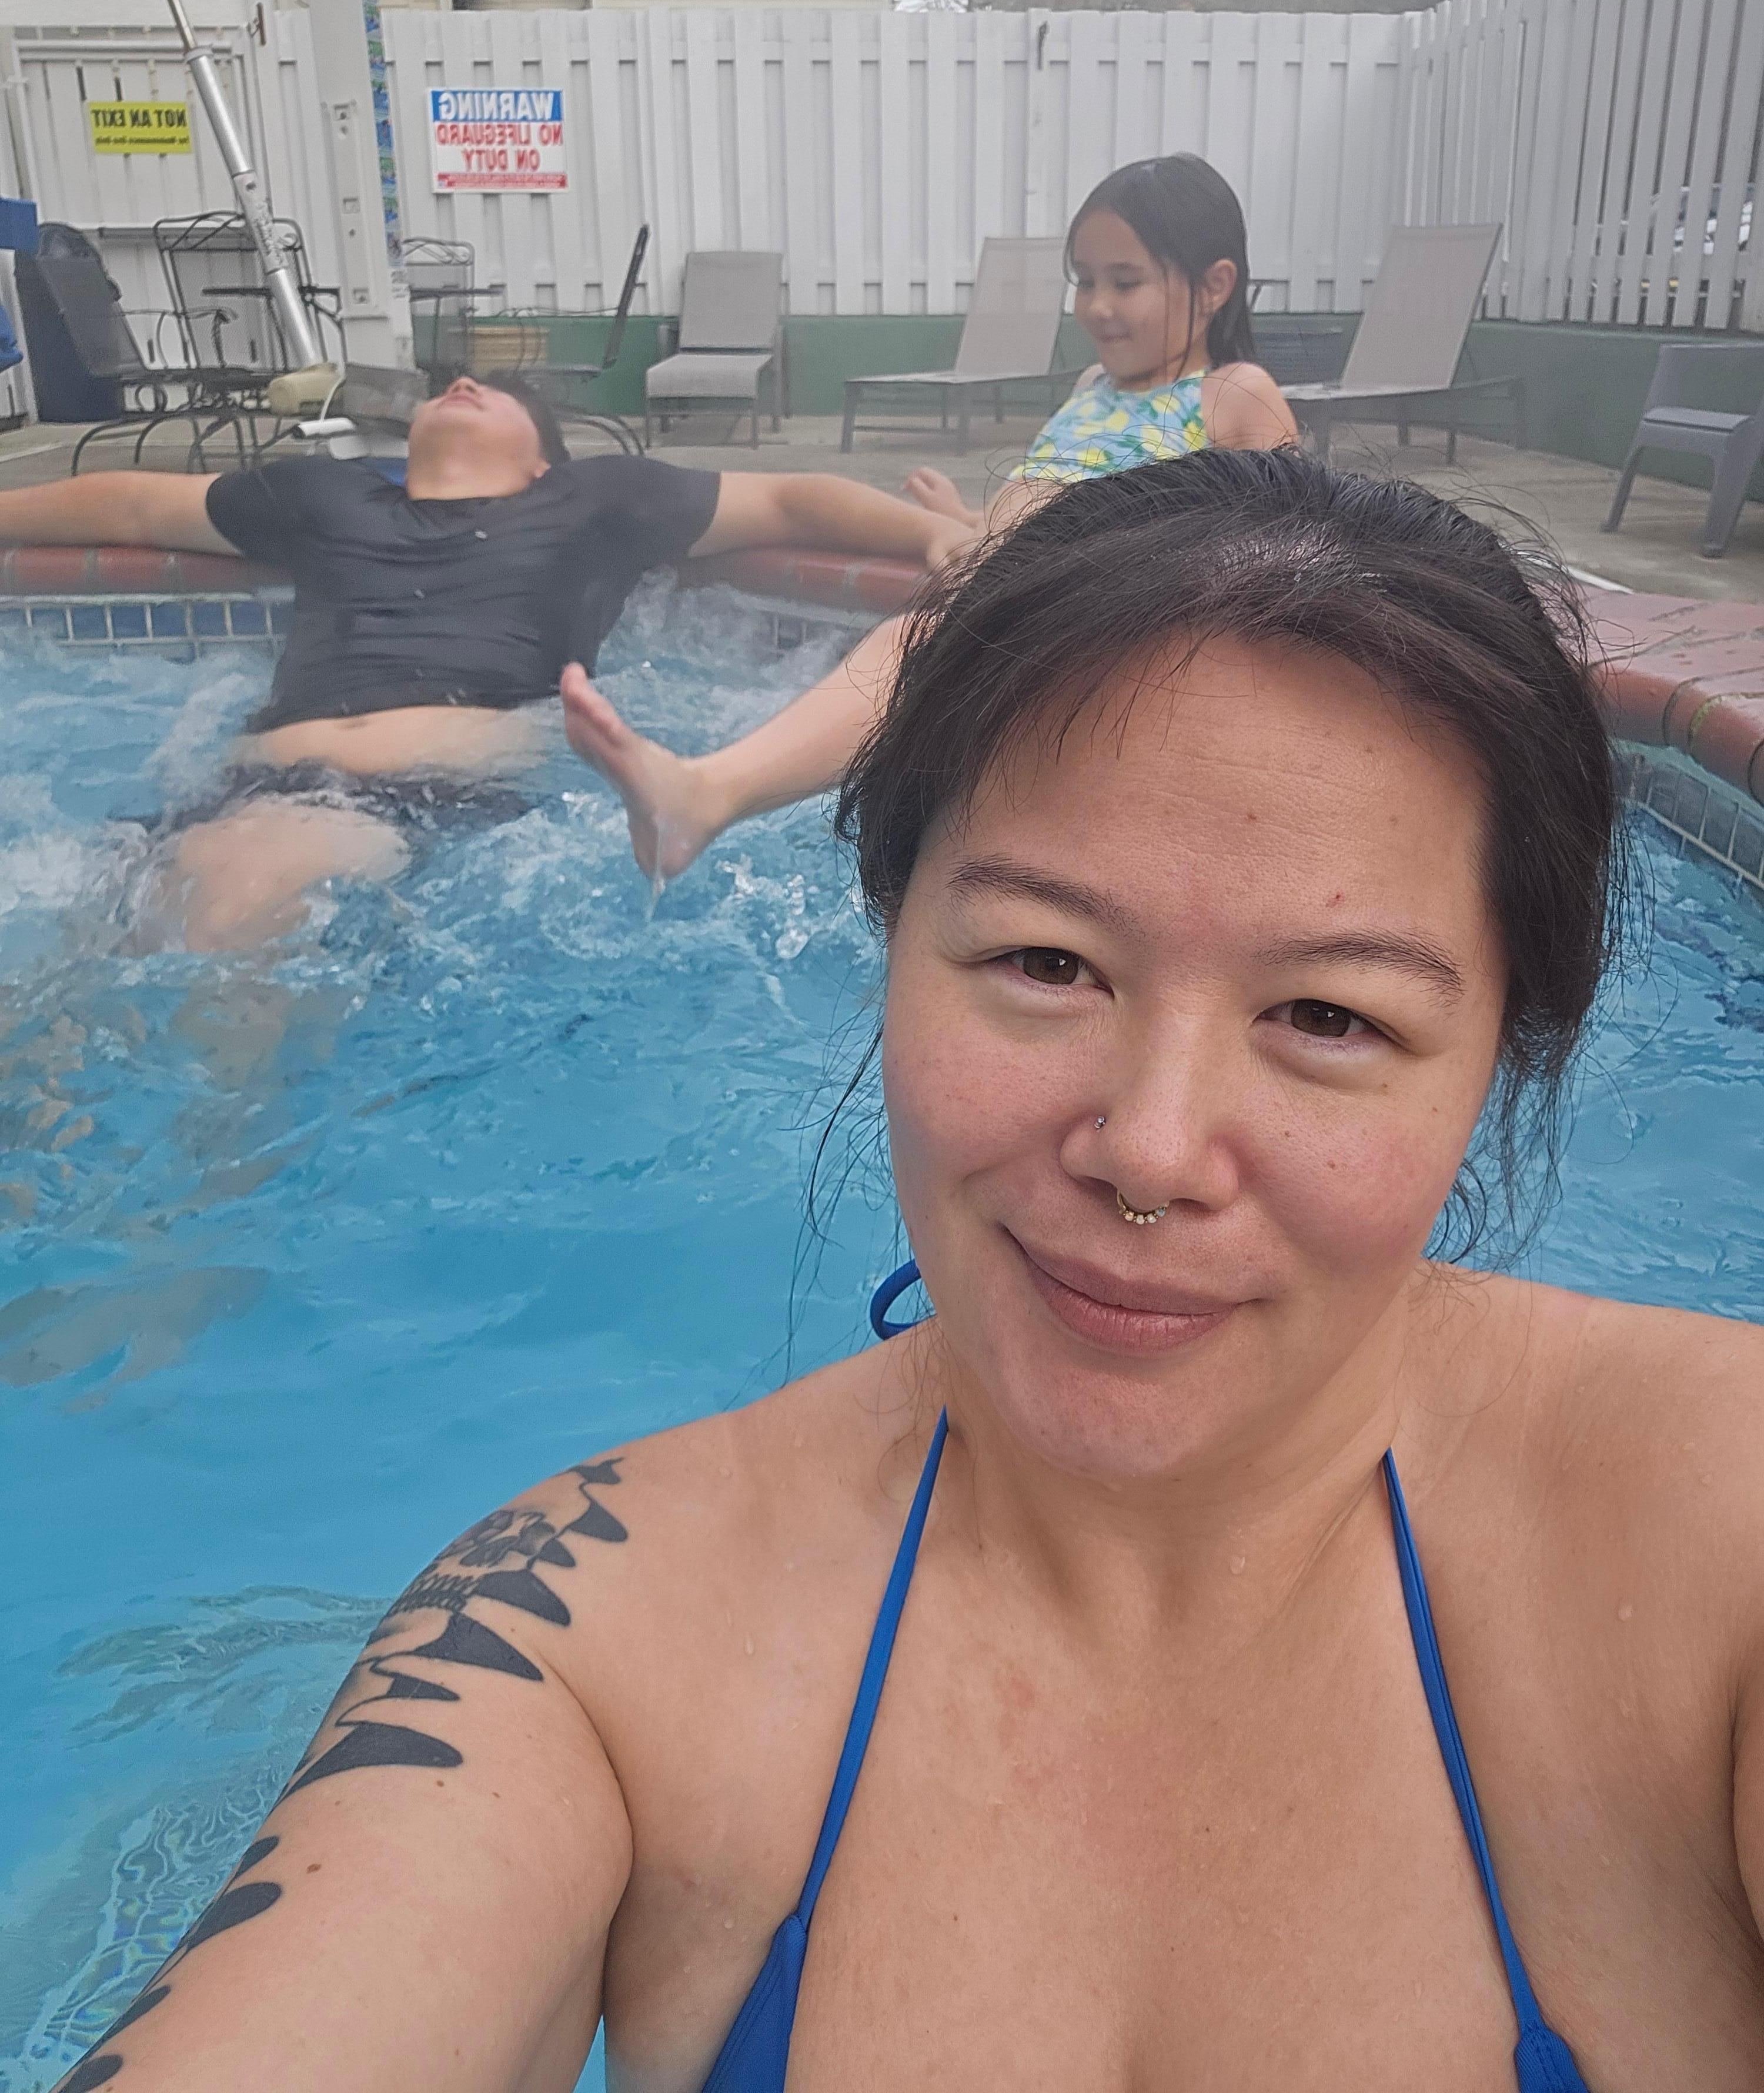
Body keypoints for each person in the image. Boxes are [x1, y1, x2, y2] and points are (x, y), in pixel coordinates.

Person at [55, 448, 1764, 2093]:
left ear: (1502, 1056)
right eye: (1045, 961)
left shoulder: (1716, 1545)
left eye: (1327, 1014)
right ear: (889, 941)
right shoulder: (594, 1643)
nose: (1150, 1147)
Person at [0, 373, 977, 949]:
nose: (463, 385)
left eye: (499, 394)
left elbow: (793, 500)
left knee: (226, 925)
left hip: (412, 791)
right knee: (67, 970)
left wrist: (931, 535)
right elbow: (133, 505)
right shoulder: (325, 496)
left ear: (543, 458)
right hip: (240, 786)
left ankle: (202, 1202)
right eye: (450, 387)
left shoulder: (596, 499)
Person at [565, 152, 1301, 882]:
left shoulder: (1234, 392)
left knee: (905, 648)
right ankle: (710, 792)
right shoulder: (1092, 386)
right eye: (1084, 281)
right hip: (1025, 600)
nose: (1096, 306)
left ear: (1214, 286)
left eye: (1125, 282)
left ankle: (706, 794)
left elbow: (1287, 545)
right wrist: (973, 519)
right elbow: (1066, 490)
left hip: (1104, 631)